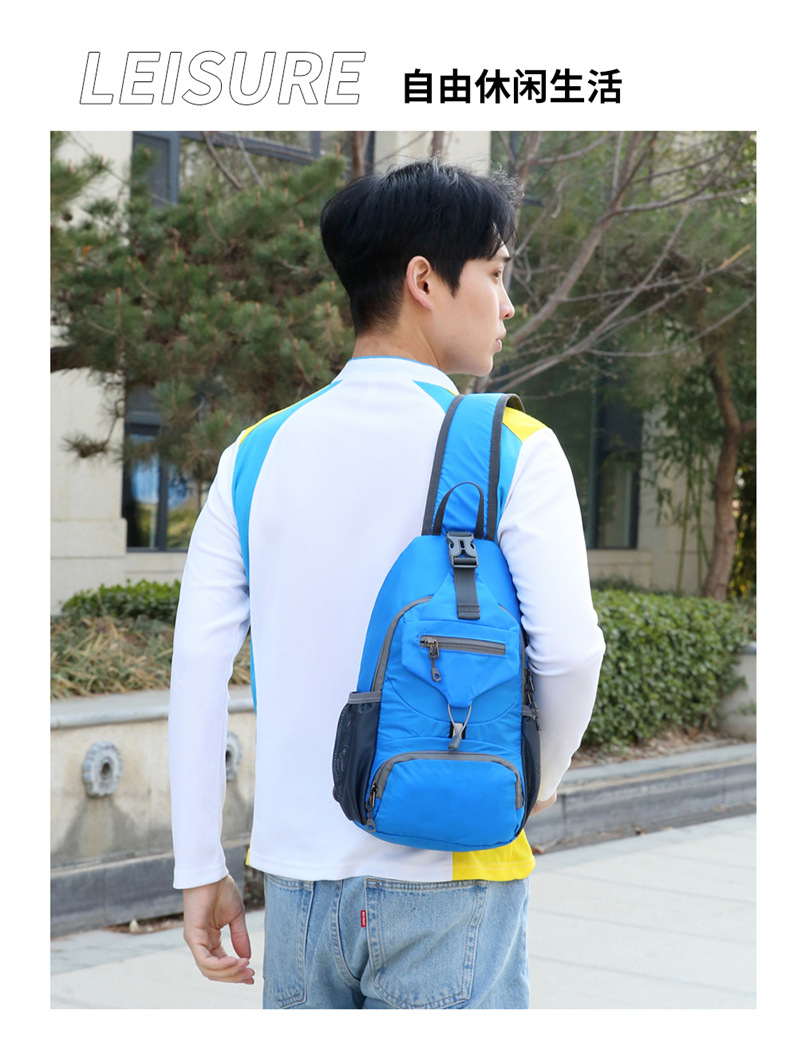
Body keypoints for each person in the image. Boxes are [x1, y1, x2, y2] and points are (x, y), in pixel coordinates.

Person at [168, 159, 605, 1009]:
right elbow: (570, 655)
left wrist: (198, 866)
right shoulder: (512, 447)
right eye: (496, 273)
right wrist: (532, 780)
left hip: (297, 881)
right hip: (452, 867)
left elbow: (197, 669)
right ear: (424, 281)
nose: (508, 304)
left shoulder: (254, 455)